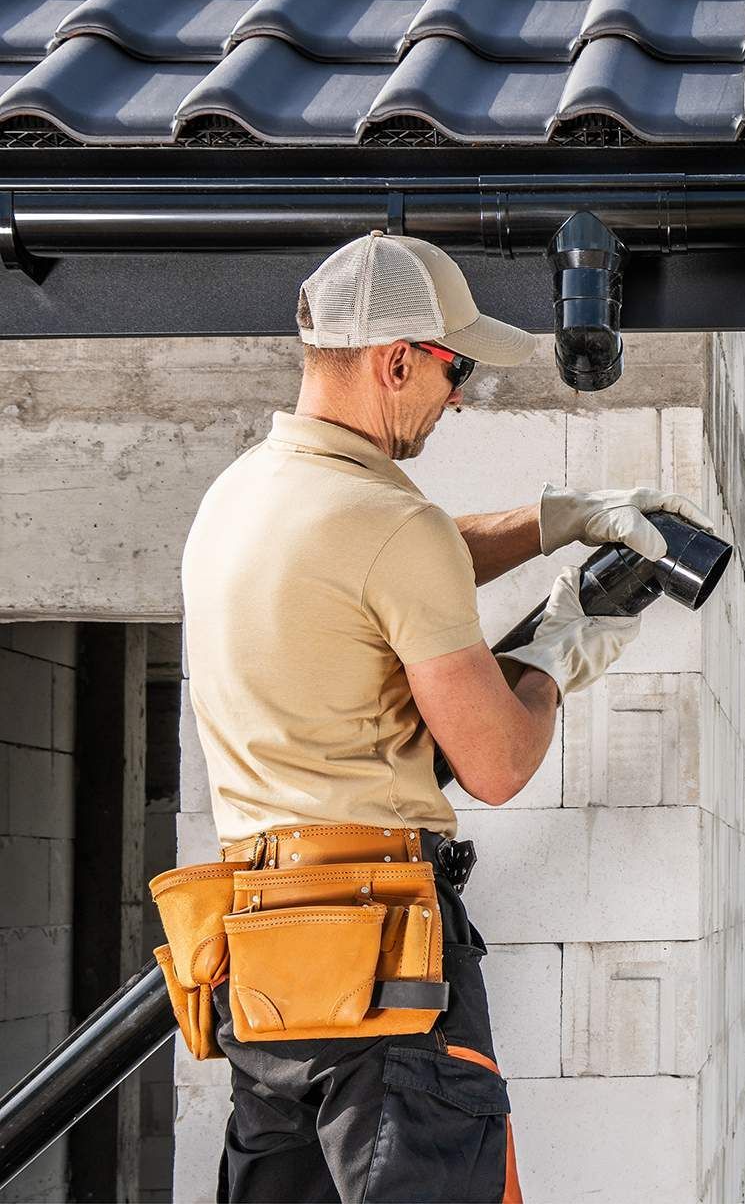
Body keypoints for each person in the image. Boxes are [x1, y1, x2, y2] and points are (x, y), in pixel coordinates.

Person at [179, 230, 713, 1202]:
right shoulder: (391, 523)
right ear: (395, 360)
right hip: (389, 974)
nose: (460, 393)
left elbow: (376, 577)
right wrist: (561, 648)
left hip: (267, 972)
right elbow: (497, 759)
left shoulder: (243, 498)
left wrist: (566, 515)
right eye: (453, 366)